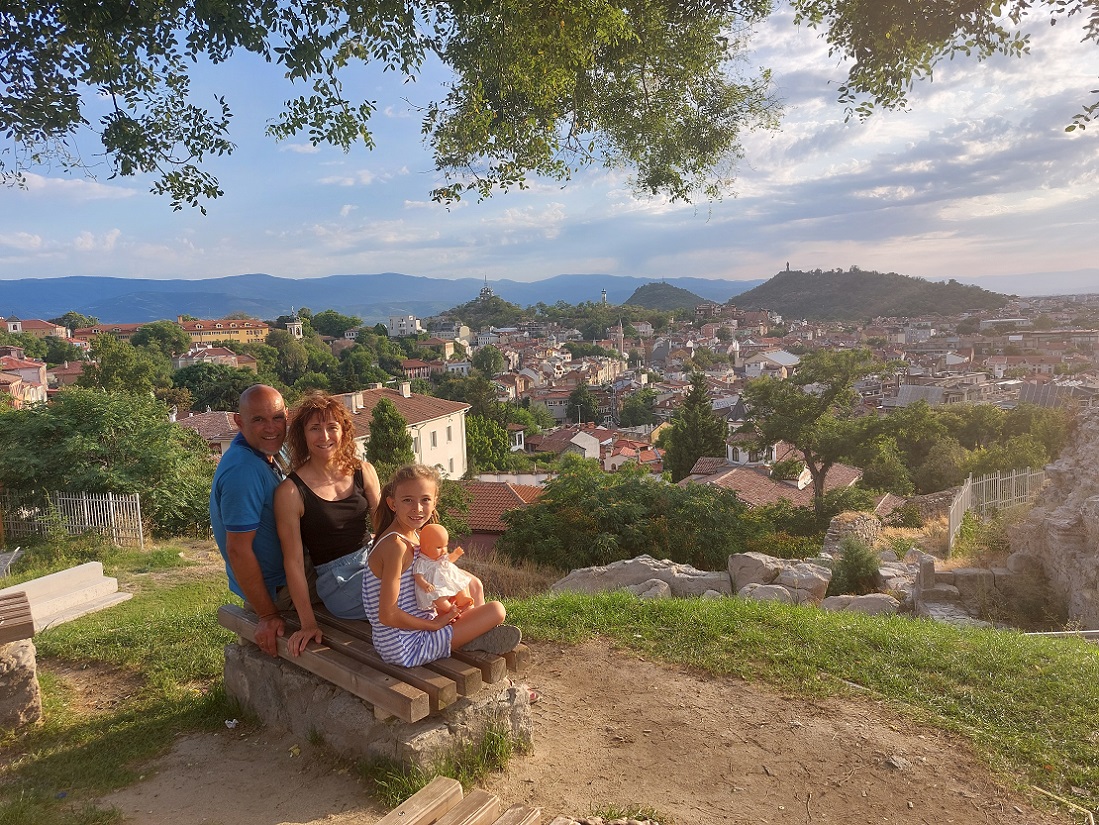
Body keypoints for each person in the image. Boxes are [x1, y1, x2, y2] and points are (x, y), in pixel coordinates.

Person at [364, 463, 521, 667]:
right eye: (408, 500)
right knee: (497, 610)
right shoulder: (395, 546)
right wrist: (434, 624)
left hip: (417, 629)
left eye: (425, 500)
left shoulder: (414, 535)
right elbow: (388, 615)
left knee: (472, 583)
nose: (417, 508)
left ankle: (475, 636)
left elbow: (433, 572)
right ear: (393, 504)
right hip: (406, 645)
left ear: (434, 502)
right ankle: (473, 639)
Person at [274, 392, 382, 656]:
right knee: (411, 591)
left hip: (373, 561)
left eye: (332, 427)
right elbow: (293, 563)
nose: (324, 436)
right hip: (338, 582)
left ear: (343, 431)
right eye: (315, 428)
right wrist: (308, 624)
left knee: (442, 575)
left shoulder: (363, 471)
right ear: (303, 435)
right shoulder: (291, 492)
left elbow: (386, 530)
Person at [210, 384, 289, 657]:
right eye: (258, 420)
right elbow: (238, 550)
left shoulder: (263, 453)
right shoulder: (243, 471)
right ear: (239, 421)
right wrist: (267, 615)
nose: (271, 428)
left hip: (281, 581)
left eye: (277, 417)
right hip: (278, 591)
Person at [413, 522, 474, 613]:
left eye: (445, 546)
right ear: (426, 547)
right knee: (437, 597)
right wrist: (425, 584)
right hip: (435, 586)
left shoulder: (442, 557)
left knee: (460, 582)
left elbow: (450, 559)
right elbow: (418, 575)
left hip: (449, 581)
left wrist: (455, 554)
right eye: (439, 547)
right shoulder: (422, 562)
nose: (444, 550)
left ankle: (462, 597)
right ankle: (449, 609)